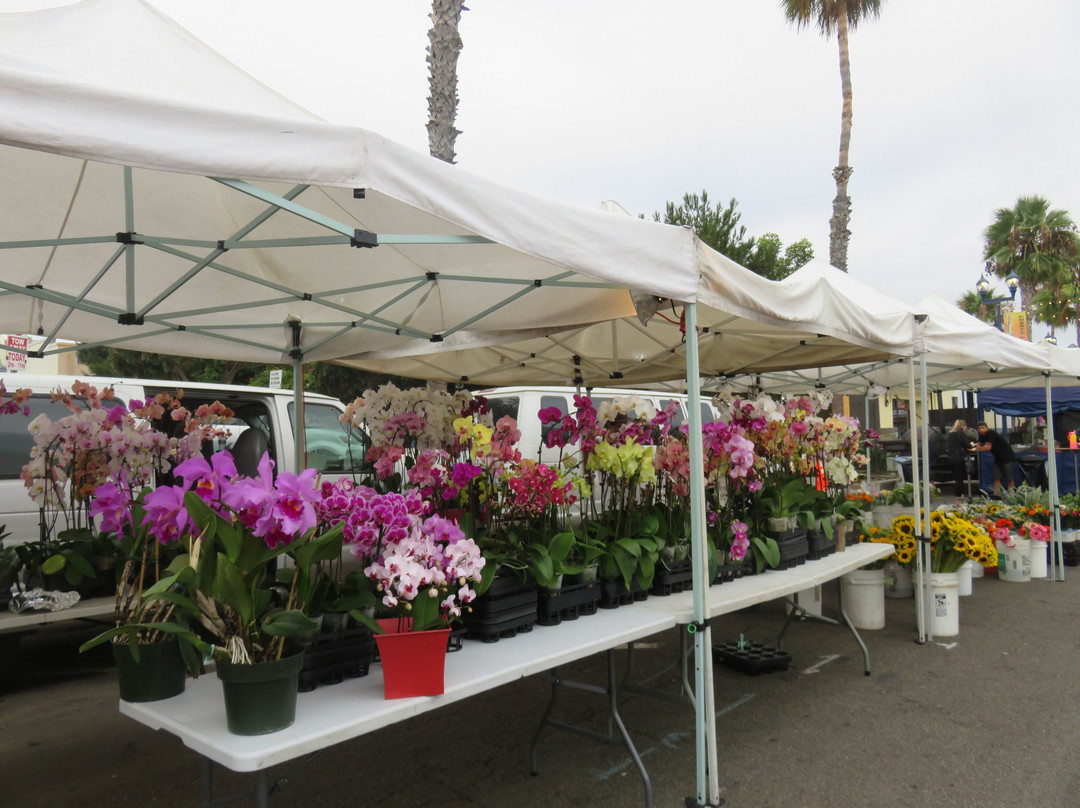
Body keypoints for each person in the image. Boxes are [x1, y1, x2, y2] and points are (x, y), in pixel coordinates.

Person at [975, 421, 1016, 497]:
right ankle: (995, 497)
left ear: (987, 428)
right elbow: (977, 445)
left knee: (1009, 478)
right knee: (997, 478)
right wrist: (973, 445)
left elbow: (987, 447)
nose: (981, 430)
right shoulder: (981, 435)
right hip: (998, 458)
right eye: (979, 428)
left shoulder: (990, 433)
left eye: (983, 428)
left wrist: (979, 448)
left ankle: (1012, 496)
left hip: (1007, 457)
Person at [945, 419, 973, 499]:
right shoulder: (961, 433)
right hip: (959, 457)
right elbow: (968, 445)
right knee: (961, 476)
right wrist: (971, 444)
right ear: (963, 426)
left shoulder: (950, 434)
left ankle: (958, 493)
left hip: (952, 456)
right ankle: (961, 494)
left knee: (957, 476)